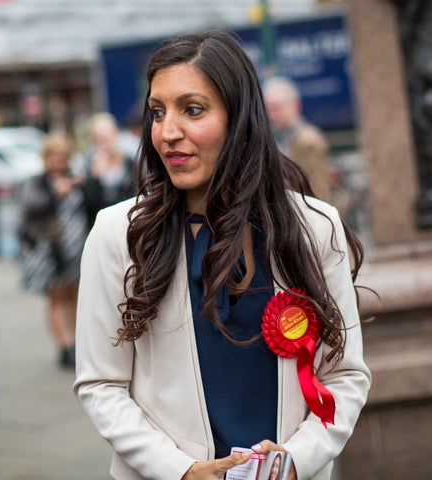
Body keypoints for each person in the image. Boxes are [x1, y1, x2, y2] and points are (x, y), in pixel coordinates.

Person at [74, 30, 370, 480]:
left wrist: (295, 462)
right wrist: (182, 469)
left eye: (192, 110)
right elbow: (101, 384)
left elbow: (344, 376)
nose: (168, 132)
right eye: (157, 112)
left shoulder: (314, 226)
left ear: (240, 116)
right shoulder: (119, 234)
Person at [18, 132, 88, 369]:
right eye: (54, 156)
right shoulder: (36, 183)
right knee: (57, 296)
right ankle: (65, 345)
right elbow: (31, 206)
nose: (59, 161)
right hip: (49, 252)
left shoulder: (78, 179)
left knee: (78, 295)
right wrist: (56, 192)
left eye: (63, 156)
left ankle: (81, 344)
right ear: (46, 158)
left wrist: (81, 184)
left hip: (78, 248)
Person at [262, 76, 332, 202]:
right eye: (269, 109)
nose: (272, 115)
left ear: (295, 105)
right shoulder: (283, 137)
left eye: (276, 108)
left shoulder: (307, 142)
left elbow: (317, 190)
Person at [82, 112, 136, 228]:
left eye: (108, 137)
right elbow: (90, 207)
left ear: (116, 134)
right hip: (104, 226)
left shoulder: (130, 163)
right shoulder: (90, 166)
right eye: (100, 139)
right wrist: (95, 179)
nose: (106, 143)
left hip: (129, 224)